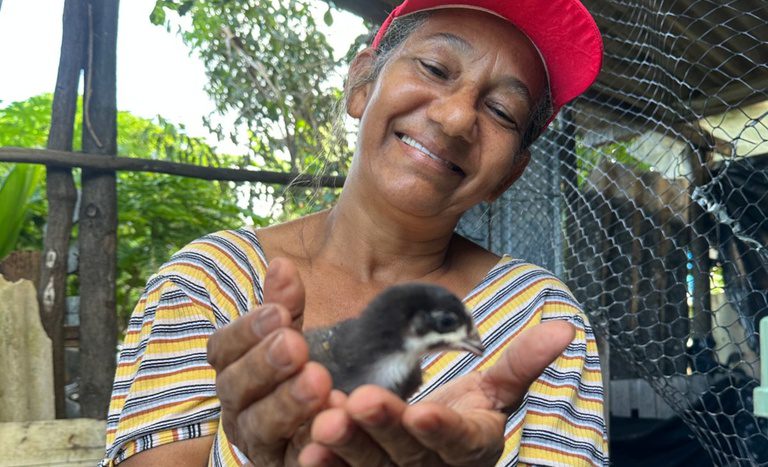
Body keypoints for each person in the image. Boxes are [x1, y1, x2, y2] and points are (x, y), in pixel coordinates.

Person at [102, 0, 607, 465]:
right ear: (363, 82)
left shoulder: (538, 317)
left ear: (511, 174)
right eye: (434, 68)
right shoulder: (210, 283)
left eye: (501, 112)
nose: (455, 118)